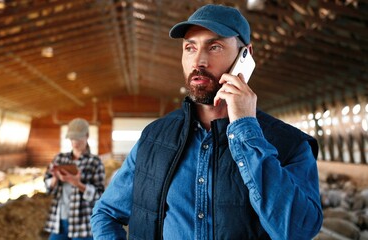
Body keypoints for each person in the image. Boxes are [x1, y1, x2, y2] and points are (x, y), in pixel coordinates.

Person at [91, 4, 323, 240]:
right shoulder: (154, 138)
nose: (198, 61)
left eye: (214, 47)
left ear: (246, 55)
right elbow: (105, 213)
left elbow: (297, 231)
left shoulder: (289, 144)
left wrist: (246, 129)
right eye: (190, 48)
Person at [43, 118, 105, 240]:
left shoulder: (95, 162)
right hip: (59, 221)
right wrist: (55, 178)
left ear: (87, 136)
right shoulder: (60, 159)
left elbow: (100, 195)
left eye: (78, 137)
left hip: (82, 224)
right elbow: (47, 187)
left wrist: (77, 183)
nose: (74, 141)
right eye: (72, 138)